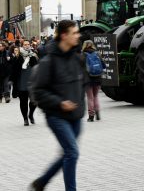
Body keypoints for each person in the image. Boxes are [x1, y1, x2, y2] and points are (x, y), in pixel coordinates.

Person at [30, 20, 85, 191]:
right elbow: (38, 91)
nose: (78, 36)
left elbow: (82, 83)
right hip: (57, 116)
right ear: (64, 35)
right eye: (74, 33)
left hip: (76, 116)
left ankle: (42, 182)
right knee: (72, 153)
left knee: (68, 154)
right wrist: (60, 103)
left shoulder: (77, 58)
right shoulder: (49, 61)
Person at [13, 39, 38, 125]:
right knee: (23, 102)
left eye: (28, 44)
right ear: (22, 45)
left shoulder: (33, 55)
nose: (27, 45)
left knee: (34, 101)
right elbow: (14, 69)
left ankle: (31, 114)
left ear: (30, 45)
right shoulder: (18, 56)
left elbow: (37, 68)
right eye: (25, 44)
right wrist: (16, 58)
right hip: (21, 82)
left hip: (32, 82)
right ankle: (25, 119)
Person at [82, 40, 105, 122]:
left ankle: (91, 116)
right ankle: (98, 114)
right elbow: (104, 65)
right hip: (98, 78)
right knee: (95, 96)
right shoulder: (97, 53)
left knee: (90, 98)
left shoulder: (83, 54)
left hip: (88, 79)